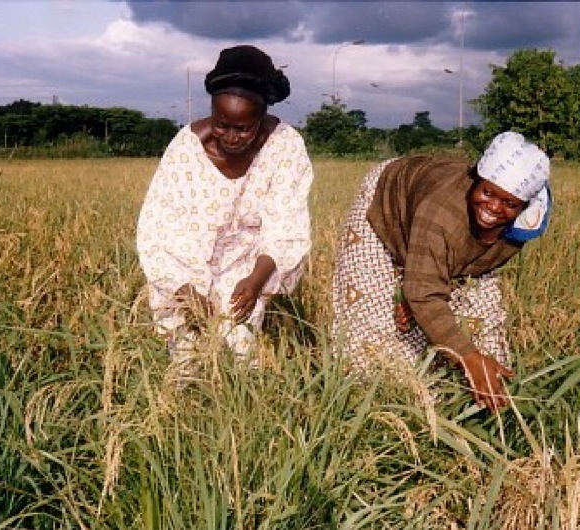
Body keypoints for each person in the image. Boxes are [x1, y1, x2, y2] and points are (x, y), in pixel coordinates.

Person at [332, 132, 551, 412]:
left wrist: (420, 290)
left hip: (434, 228)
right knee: (375, 333)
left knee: (483, 328)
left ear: (524, 206)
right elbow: (425, 292)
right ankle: (372, 407)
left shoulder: (523, 225)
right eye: (487, 193)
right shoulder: (441, 213)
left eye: (509, 204)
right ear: (476, 181)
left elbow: (469, 264)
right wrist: (418, 294)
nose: (494, 208)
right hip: (390, 200)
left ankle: (475, 408)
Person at [137, 45, 314, 358]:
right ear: (212, 113)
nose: (231, 137)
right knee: (187, 357)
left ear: (262, 118)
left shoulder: (285, 146)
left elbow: (287, 225)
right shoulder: (186, 150)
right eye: (222, 124)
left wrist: (256, 281)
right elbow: (158, 230)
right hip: (186, 267)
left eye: (243, 128)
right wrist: (184, 290)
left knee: (240, 355)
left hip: (249, 266)